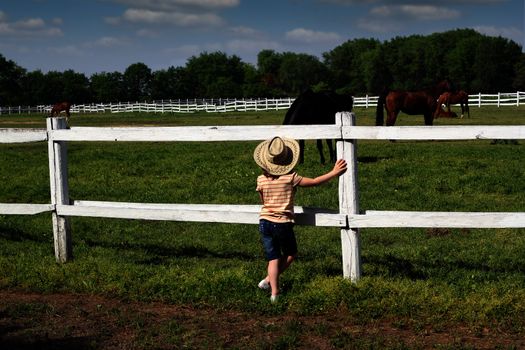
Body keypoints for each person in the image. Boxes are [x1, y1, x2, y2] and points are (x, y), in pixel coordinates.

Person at [253, 136, 347, 303]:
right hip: (282, 223)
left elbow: (263, 201)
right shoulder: (291, 177)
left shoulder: (260, 179)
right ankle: (268, 281)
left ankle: (274, 291)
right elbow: (315, 182)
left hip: (264, 222)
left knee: (273, 258)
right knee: (290, 254)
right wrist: (334, 172)